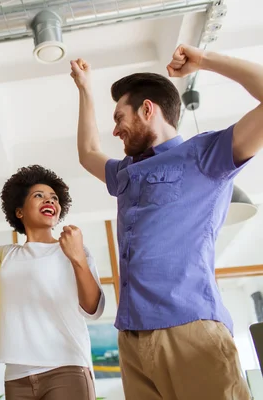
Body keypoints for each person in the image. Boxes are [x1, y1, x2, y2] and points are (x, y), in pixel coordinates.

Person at [71, 44, 263, 400]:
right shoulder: (125, 172)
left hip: (188, 329)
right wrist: (85, 89)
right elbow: (87, 153)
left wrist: (205, 61)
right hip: (131, 337)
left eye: (119, 118)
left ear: (147, 109)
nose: (116, 131)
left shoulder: (205, 155)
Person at [0, 165, 104, 400]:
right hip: (16, 375)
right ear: (19, 211)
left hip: (66, 368)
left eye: (54, 198)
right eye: (39, 195)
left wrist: (77, 258)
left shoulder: (73, 249)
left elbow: (92, 308)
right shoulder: (7, 255)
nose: (50, 200)